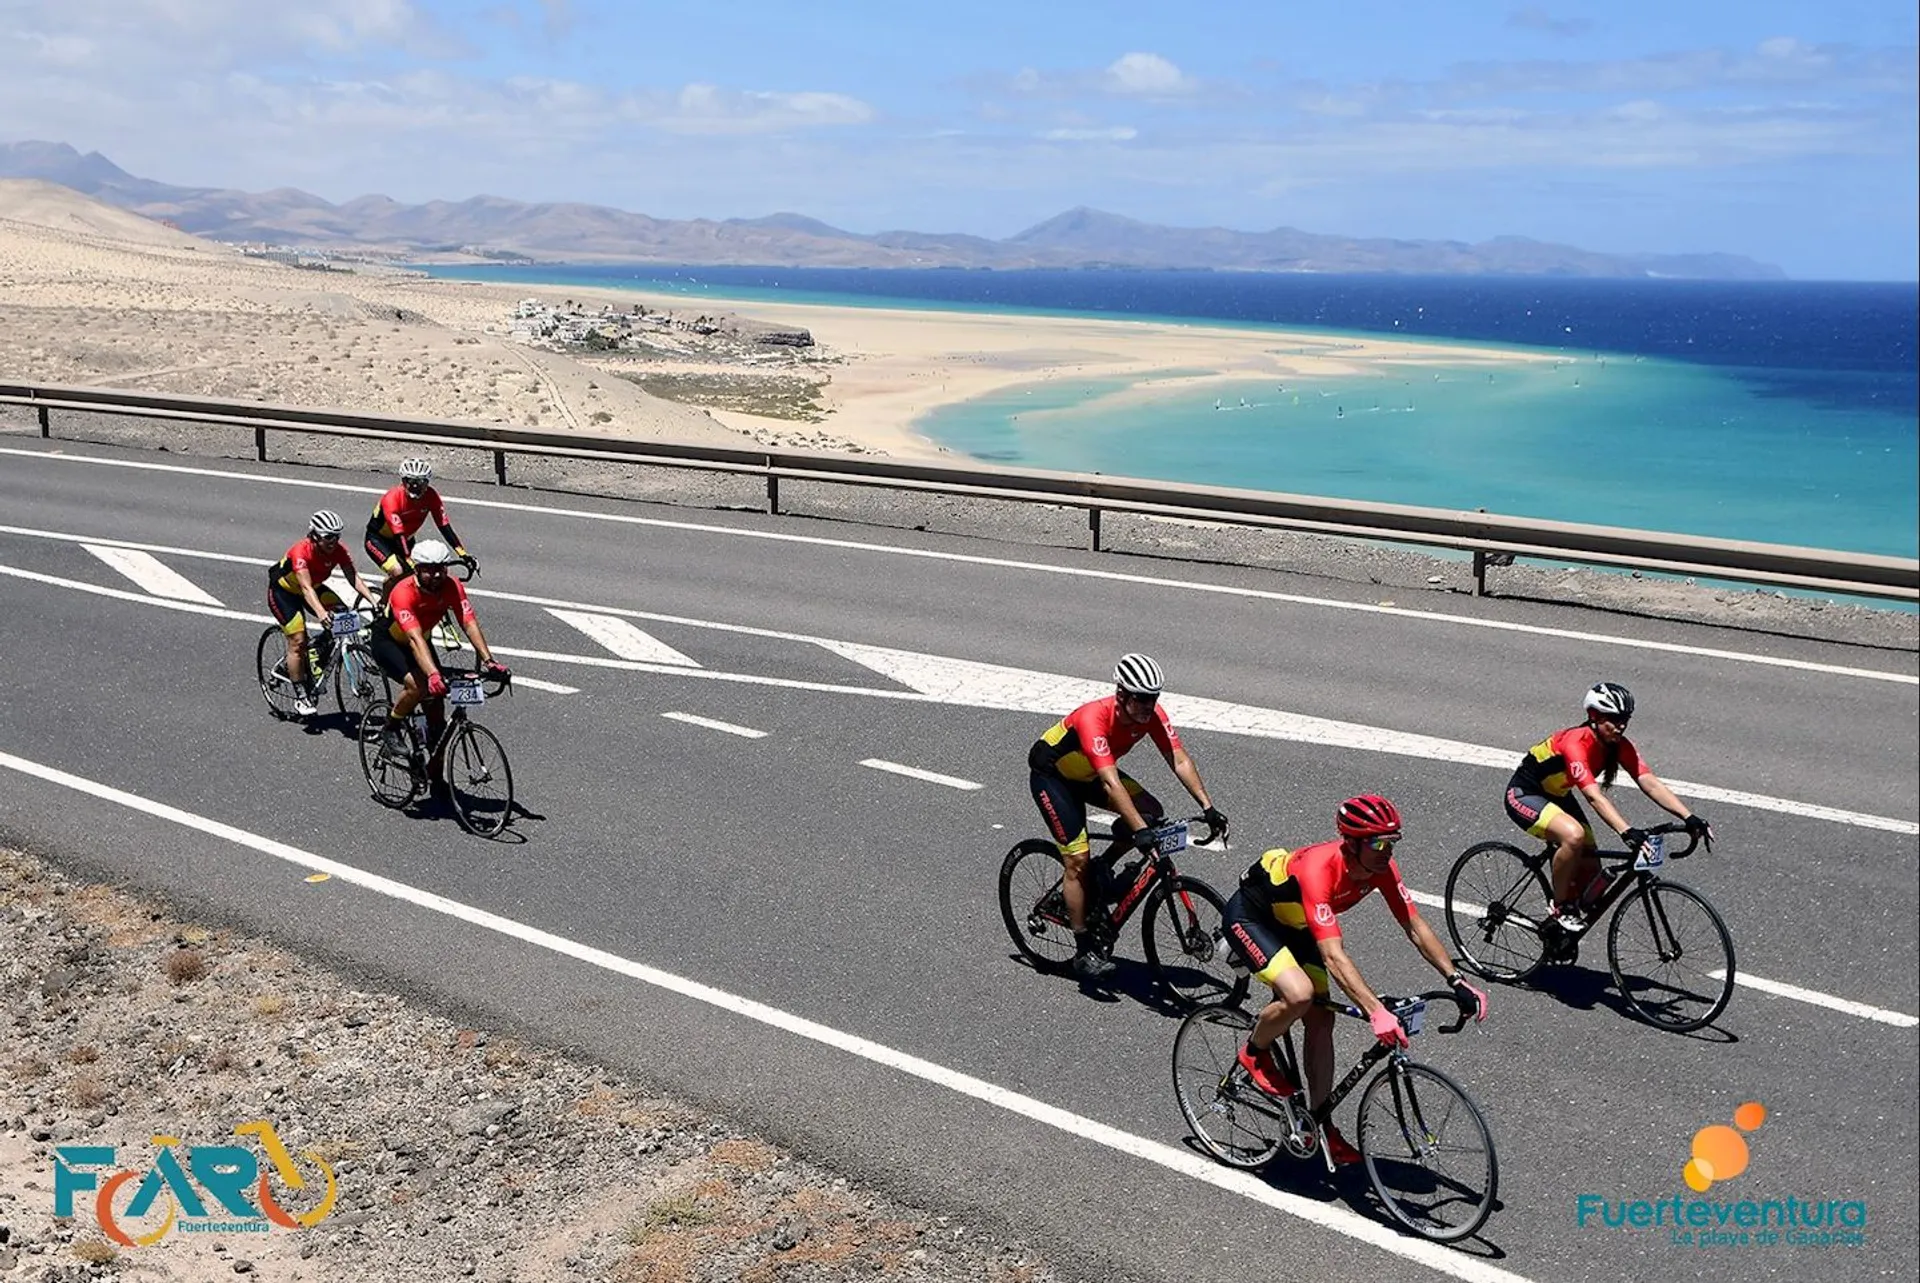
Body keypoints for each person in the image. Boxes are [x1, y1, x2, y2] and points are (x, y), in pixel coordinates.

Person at [1223, 795, 1488, 1165]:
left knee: (1321, 1018)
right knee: (1299, 996)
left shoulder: (1382, 869)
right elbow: (1333, 955)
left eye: (1392, 842)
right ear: (1351, 843)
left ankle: (1322, 1127)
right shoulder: (1319, 870)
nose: (1386, 852)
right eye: (1378, 843)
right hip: (1253, 918)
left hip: (1298, 927)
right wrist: (1376, 1011)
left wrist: (1457, 980)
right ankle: (1254, 1052)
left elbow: (1414, 926)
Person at [1028, 653, 1227, 980]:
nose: (1150, 706)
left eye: (1154, 698)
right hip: (1054, 778)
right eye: (1143, 699)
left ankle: (1104, 866)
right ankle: (1083, 949)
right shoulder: (1093, 719)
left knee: (1152, 813)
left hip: (1091, 775)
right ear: (1122, 695)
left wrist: (1208, 807)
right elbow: (1111, 781)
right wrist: (1138, 832)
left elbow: (1178, 759)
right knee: (1077, 860)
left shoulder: (1150, 715)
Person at [1504, 682, 1713, 933]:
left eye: (1625, 719)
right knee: (1573, 837)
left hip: (1558, 796)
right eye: (1614, 719)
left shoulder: (1618, 745)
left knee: (1591, 866)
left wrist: (1689, 817)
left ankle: (1559, 934)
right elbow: (1594, 797)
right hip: (1525, 794)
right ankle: (1560, 907)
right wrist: (1626, 831)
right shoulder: (1575, 743)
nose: (1621, 725)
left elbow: (1649, 782)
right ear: (1594, 716)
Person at [367, 540, 509, 783]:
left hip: (420, 640)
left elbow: (468, 622)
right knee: (419, 686)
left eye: (441, 568)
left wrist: (489, 661)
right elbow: (412, 639)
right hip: (390, 642)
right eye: (429, 569)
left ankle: (436, 778)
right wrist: (432, 674)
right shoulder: (403, 591)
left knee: (438, 721)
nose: (436, 574)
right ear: (417, 569)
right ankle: (391, 727)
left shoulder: (451, 586)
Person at [266, 509, 375, 717]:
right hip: (285, 593)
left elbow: (353, 577)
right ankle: (301, 696)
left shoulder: (338, 550)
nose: (334, 541)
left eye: (337, 536)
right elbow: (305, 589)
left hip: (314, 588)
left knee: (343, 614)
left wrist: (372, 600)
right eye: (328, 537)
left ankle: (317, 651)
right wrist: (322, 614)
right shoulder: (301, 552)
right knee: (298, 640)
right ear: (314, 536)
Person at [364, 458, 474, 598]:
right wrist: (409, 559)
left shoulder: (431, 496)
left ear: (427, 483)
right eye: (410, 481)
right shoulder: (392, 498)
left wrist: (462, 553)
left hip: (406, 540)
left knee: (424, 575)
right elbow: (399, 533)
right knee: (398, 571)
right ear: (403, 482)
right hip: (379, 540)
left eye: (420, 482)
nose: (415, 486)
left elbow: (444, 526)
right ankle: (384, 607)